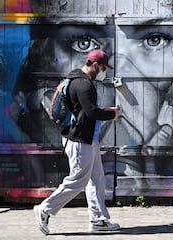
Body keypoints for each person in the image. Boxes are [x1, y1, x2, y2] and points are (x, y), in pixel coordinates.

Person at [33, 49, 121, 235]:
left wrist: (103, 111)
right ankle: (45, 209)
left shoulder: (77, 80)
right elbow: (90, 112)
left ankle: (98, 220)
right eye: (104, 68)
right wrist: (112, 114)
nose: (105, 72)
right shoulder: (83, 84)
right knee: (78, 180)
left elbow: (84, 110)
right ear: (96, 65)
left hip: (87, 138)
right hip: (81, 140)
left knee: (97, 180)